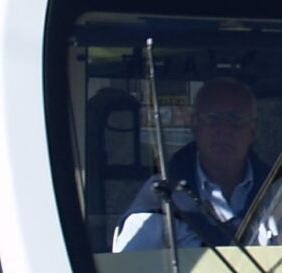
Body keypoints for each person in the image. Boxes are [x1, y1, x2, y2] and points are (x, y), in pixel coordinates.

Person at [114, 77, 269, 251]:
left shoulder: (280, 190)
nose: (224, 129)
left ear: (253, 130)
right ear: (194, 127)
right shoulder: (161, 195)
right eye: (213, 118)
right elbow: (129, 266)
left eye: (236, 118)